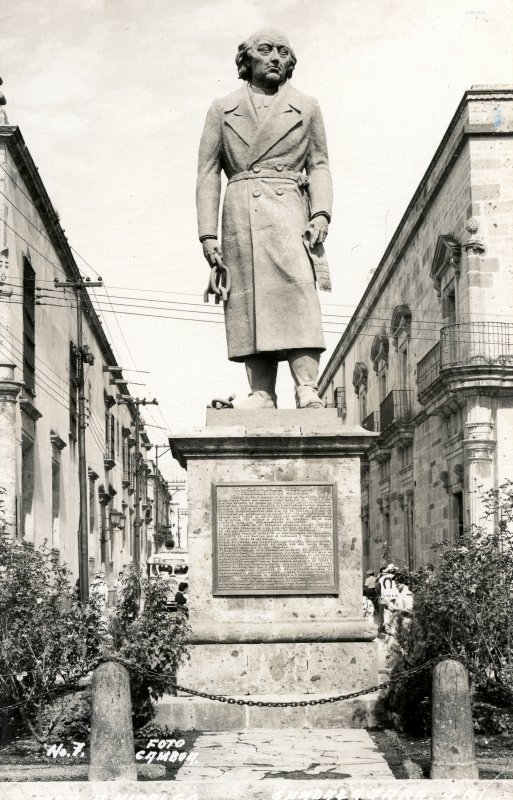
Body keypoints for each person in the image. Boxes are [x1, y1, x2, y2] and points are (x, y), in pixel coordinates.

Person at [197, 29, 333, 409]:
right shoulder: (222, 109)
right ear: (247, 59)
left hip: (290, 209)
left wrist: (321, 213)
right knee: (248, 298)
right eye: (265, 50)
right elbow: (208, 172)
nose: (275, 57)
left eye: (283, 51)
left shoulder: (306, 107)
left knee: (298, 291)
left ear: (290, 63)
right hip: (241, 212)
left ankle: (307, 385)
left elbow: (319, 164)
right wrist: (208, 235)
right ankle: (261, 392)